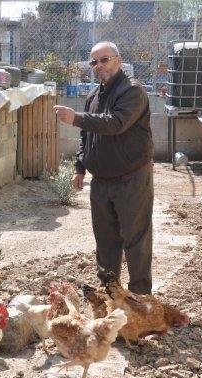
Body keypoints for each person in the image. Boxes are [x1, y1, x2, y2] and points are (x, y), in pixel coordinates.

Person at [53, 41, 154, 295]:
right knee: (106, 242)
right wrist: (80, 167)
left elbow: (116, 123)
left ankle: (141, 298)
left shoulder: (132, 91)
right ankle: (109, 294)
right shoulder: (93, 96)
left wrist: (75, 118)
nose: (98, 66)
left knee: (136, 242)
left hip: (131, 179)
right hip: (101, 182)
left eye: (104, 60)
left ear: (119, 61)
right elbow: (87, 136)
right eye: (94, 62)